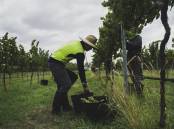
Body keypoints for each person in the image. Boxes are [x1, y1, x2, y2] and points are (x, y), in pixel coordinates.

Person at [48, 35, 97, 114]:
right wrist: (85, 86)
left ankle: (65, 106)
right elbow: (81, 70)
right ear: (86, 44)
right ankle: (55, 109)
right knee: (65, 85)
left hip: (57, 63)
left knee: (72, 77)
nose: (91, 49)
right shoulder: (80, 51)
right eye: (91, 47)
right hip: (55, 63)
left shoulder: (77, 43)